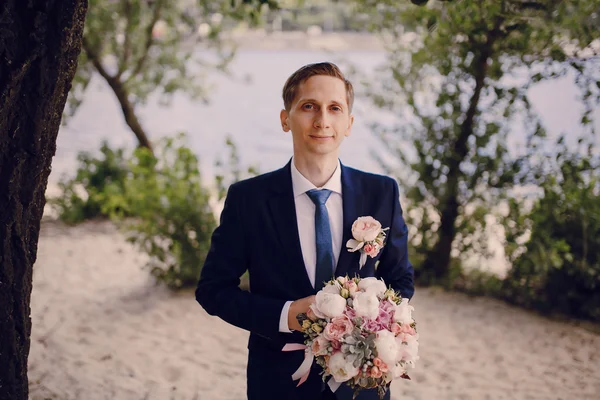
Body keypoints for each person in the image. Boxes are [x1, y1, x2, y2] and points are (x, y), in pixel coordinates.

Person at [195, 62, 414, 400]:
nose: (322, 120)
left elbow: (400, 281)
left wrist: (367, 325)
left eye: (334, 108)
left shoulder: (381, 193)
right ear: (286, 118)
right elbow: (212, 290)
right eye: (308, 106)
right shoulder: (248, 199)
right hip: (277, 382)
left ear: (349, 123)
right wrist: (286, 315)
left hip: (361, 384)